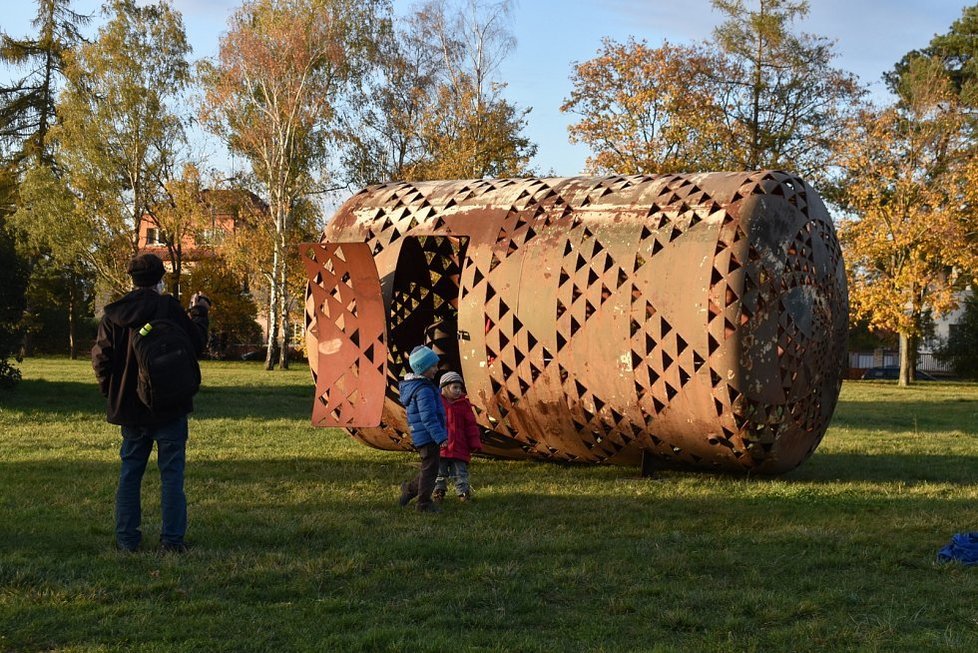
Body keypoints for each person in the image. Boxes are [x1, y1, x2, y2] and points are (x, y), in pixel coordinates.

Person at [91, 253, 210, 553]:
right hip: (170, 404)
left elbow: (101, 359)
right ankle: (172, 541)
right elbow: (197, 344)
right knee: (172, 475)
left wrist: (111, 390)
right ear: (160, 279)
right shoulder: (169, 308)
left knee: (130, 473)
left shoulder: (115, 314)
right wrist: (200, 312)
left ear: (131, 279)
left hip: (131, 409)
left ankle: (127, 540)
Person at [397, 345, 447, 513]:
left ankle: (410, 490)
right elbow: (428, 417)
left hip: (424, 435)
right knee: (430, 470)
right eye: (433, 366)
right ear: (422, 368)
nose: (436, 369)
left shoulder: (422, 386)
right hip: (428, 436)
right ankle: (424, 504)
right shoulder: (423, 390)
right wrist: (440, 437)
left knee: (429, 468)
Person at [433, 371, 482, 503]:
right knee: (440, 473)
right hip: (442, 447)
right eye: (455, 387)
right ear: (444, 388)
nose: (458, 391)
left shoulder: (464, 405)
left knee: (461, 473)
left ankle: (463, 493)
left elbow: (471, 426)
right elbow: (432, 424)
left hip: (460, 447)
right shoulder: (437, 403)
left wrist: (474, 443)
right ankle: (438, 492)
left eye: (460, 388)